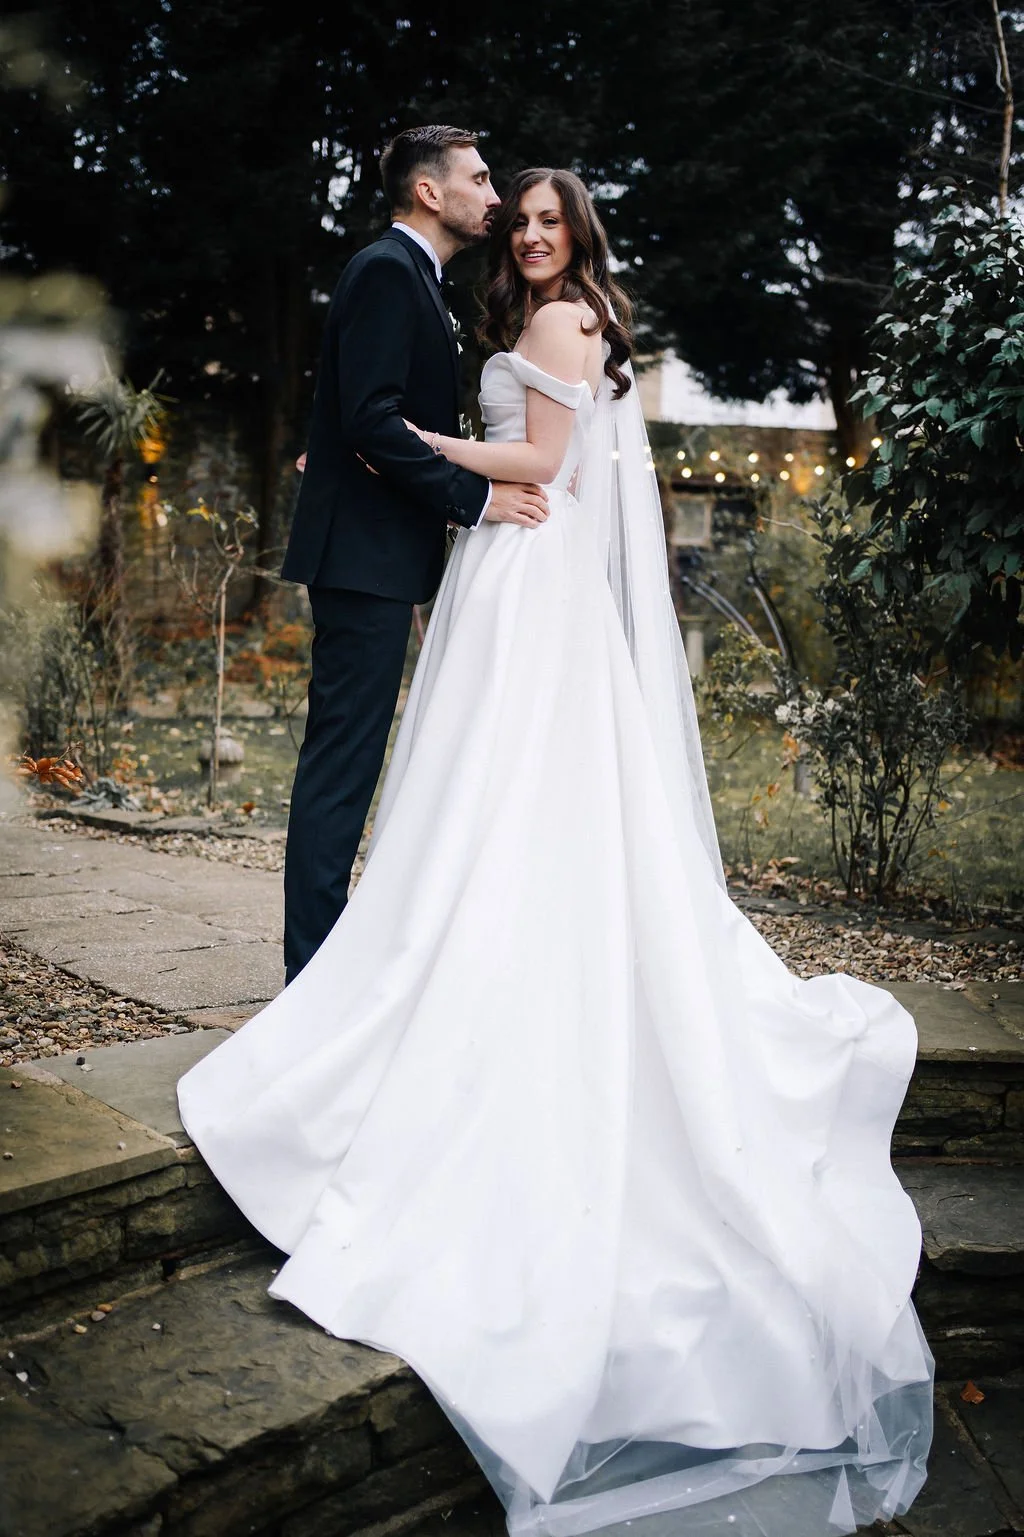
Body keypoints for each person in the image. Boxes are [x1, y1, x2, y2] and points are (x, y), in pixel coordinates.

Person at [179, 167, 933, 1537]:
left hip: (526, 575)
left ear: (577, 238)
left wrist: (437, 450)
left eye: (544, 219)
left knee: (511, 795)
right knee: (469, 799)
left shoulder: (570, 322)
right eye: (512, 216)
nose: (525, 234)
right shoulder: (538, 314)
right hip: (506, 579)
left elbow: (545, 465)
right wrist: (459, 466)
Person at [280, 125, 550, 984]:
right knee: (341, 772)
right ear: (430, 193)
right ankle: (312, 984)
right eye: (479, 179)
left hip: (377, 556)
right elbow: (372, 418)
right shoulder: (389, 272)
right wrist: (475, 498)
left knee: (351, 766)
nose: (495, 197)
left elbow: (356, 410)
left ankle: (322, 974)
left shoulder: (414, 281)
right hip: (362, 562)